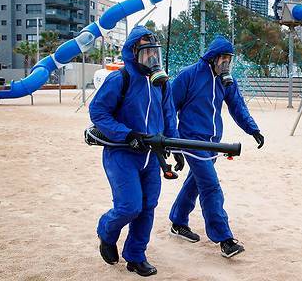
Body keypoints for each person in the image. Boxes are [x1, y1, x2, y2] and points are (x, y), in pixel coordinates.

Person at [89, 26, 182, 277]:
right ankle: (106, 232)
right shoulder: (120, 79)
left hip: (152, 156)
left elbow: (169, 116)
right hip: (122, 154)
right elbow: (98, 113)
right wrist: (127, 134)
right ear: (133, 52)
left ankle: (135, 256)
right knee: (129, 207)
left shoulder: (162, 84)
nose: (152, 57)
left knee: (148, 206)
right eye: (147, 52)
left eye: (155, 52)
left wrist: (176, 147)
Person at [168, 35, 264, 258]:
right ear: (212, 57)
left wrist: (253, 129)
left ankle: (177, 221)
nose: (226, 64)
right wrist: (172, 143)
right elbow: (169, 108)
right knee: (211, 186)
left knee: (195, 182)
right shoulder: (189, 75)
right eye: (223, 59)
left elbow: (237, 106)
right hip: (191, 140)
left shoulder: (226, 80)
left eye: (230, 59)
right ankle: (225, 239)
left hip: (214, 143)